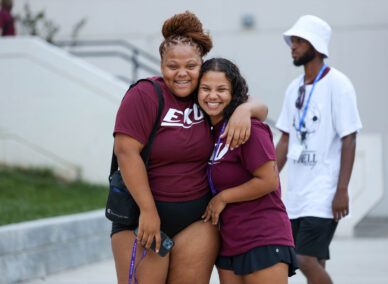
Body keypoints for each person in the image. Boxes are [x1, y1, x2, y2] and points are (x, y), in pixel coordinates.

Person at [111, 11, 268, 284]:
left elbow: (258, 105)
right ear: (161, 65)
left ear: (201, 66)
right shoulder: (145, 94)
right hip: (143, 218)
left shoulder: (206, 95)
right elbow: (125, 151)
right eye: (173, 66)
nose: (182, 74)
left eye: (191, 66)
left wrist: (245, 110)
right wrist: (148, 212)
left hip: (197, 221)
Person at [275, 15, 362, 284]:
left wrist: (342, 190)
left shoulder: (339, 84)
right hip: (296, 194)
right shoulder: (294, 88)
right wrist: (267, 178)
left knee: (304, 259)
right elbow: (285, 139)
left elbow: (349, 139)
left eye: (300, 41)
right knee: (314, 260)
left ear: (316, 45)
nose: (293, 46)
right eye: (293, 41)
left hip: (323, 193)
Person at [197, 57, 298, 284]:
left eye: (221, 89)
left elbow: (269, 180)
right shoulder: (210, 131)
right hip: (229, 240)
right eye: (205, 89)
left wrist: (223, 197)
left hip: (262, 235)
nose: (212, 96)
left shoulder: (249, 128)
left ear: (234, 94)